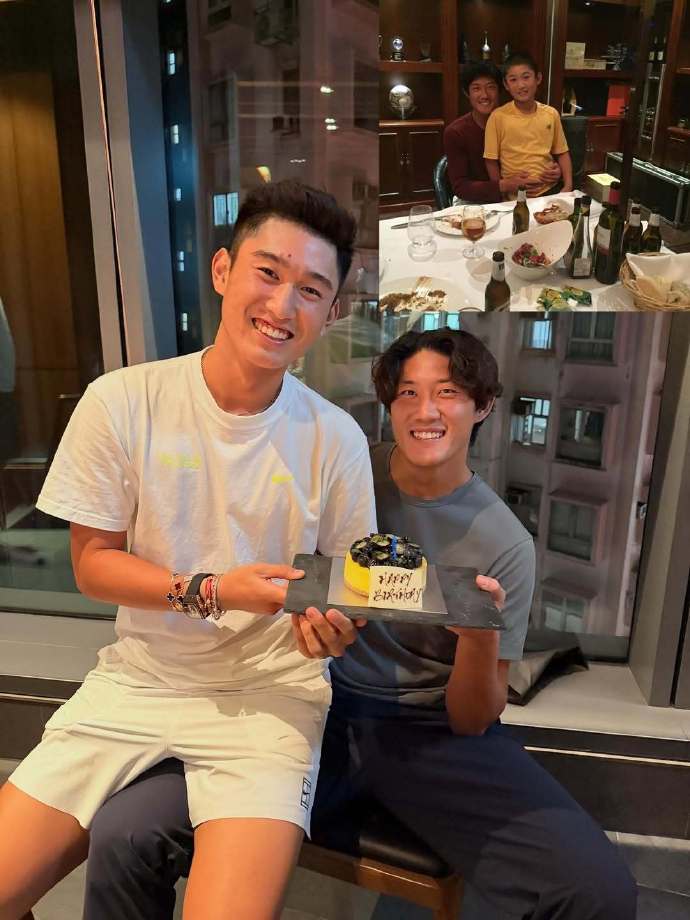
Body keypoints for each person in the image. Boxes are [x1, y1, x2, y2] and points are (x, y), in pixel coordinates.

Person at [81, 329, 636, 920]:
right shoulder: (341, 465)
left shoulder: (505, 544)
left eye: (448, 393)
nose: (426, 411)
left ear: (483, 405)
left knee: (596, 890)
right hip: (306, 702)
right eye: (408, 393)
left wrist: (479, 639)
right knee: (127, 833)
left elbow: (472, 718)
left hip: (426, 731)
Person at [0, 180, 379, 920]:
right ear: (222, 270)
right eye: (268, 272)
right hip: (139, 681)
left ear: (332, 313)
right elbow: (92, 564)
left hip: (271, 698)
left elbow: (343, 588)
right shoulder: (122, 400)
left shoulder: (335, 438)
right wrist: (214, 590)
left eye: (311, 290)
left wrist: (335, 629)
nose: (283, 305)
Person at [444, 61, 561, 204]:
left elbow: (538, 153)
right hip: (476, 202)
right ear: (466, 93)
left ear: (501, 89)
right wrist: (505, 185)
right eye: (476, 88)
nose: (484, 95)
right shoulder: (456, 132)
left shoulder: (517, 120)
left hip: (524, 197)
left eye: (491, 87)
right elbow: (460, 187)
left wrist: (553, 171)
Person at [485, 52, 573, 198]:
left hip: (549, 191)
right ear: (506, 85)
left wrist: (568, 186)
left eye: (526, 77)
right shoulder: (497, 117)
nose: (521, 85)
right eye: (513, 80)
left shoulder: (551, 114)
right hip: (514, 196)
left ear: (538, 78)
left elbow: (562, 152)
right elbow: (490, 160)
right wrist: (501, 192)